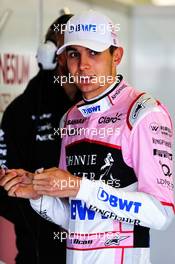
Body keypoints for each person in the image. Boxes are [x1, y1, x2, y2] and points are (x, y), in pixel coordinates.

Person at [0, 10, 174, 264]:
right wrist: (39, 195)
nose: (82, 65)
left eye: (94, 53)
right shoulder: (71, 118)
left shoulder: (144, 113)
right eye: (74, 54)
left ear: (117, 56)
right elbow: (74, 219)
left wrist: (80, 186)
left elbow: (162, 214)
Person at [0, 14, 80, 264]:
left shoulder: (104, 111)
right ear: (50, 54)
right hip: (39, 252)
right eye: (73, 51)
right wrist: (44, 210)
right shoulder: (21, 112)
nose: (83, 62)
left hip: (97, 253)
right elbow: (7, 189)